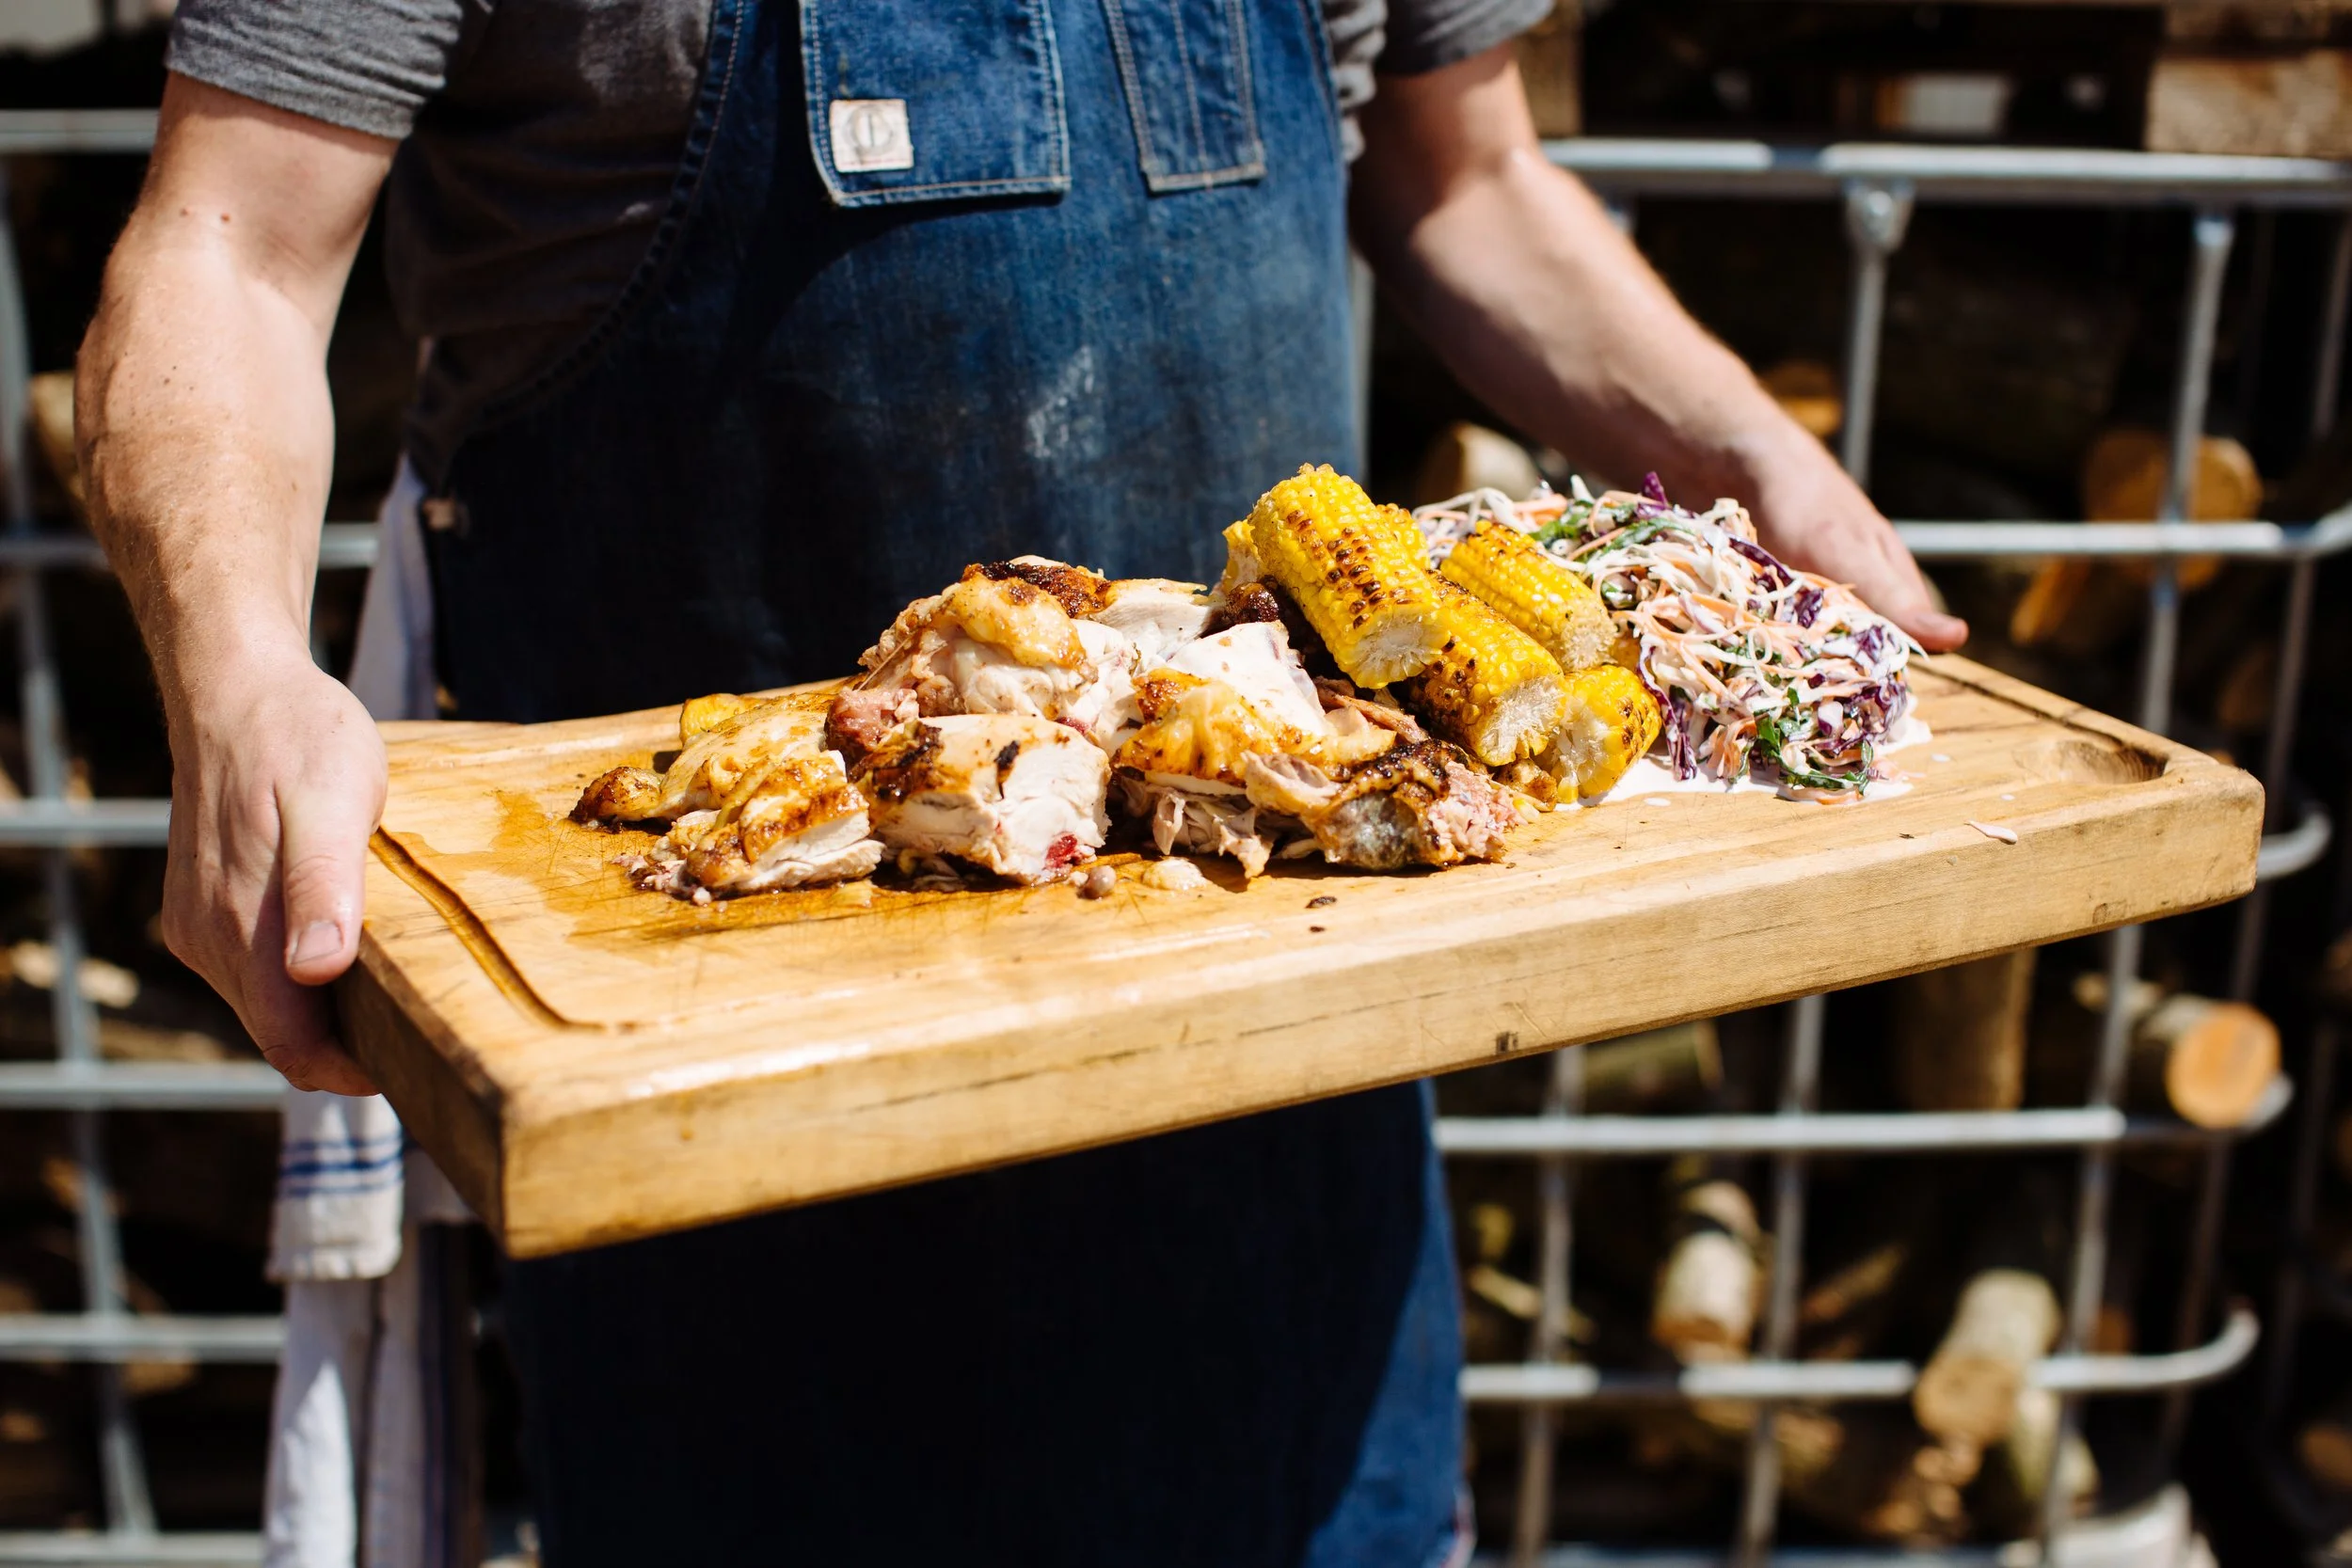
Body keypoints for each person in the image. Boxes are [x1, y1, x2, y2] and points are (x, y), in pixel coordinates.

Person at [78, 0, 1966, 1561]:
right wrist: (236, 678)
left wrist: (1747, 456)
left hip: (1278, 1107)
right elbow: (225, 246)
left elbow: (1473, 181)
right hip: (740, 1139)